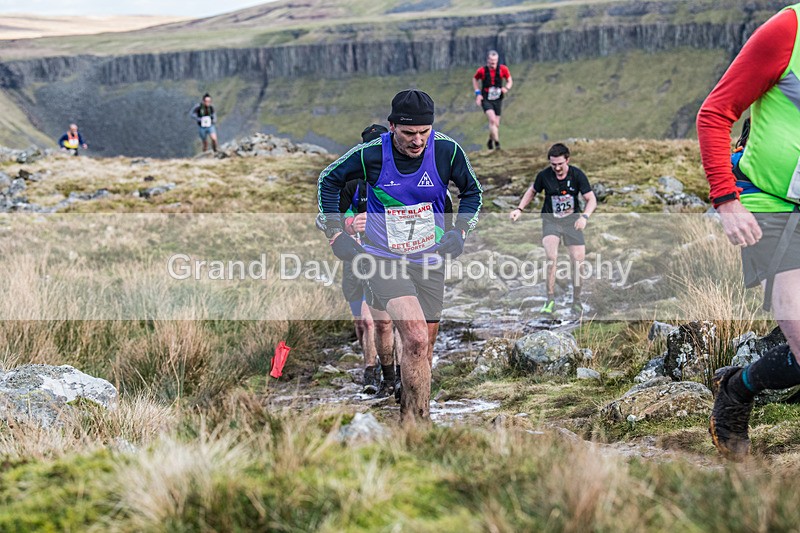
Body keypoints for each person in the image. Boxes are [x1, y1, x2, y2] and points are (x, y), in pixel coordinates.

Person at [317, 89, 482, 424]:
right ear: (392, 127)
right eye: (408, 133)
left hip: (429, 258)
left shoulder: (447, 151)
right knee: (416, 336)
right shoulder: (370, 155)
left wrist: (459, 231)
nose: (417, 141)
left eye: (424, 132)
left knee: (423, 347)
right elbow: (328, 181)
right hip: (383, 259)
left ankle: (410, 412)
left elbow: (472, 192)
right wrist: (335, 232)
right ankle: (418, 427)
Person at [697, 4, 800, 461]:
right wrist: (725, 199)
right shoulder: (787, 30)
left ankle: (742, 381)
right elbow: (717, 111)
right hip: (770, 202)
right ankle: (737, 391)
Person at [339, 123, 395, 396]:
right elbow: (332, 218)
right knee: (362, 322)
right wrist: (351, 224)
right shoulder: (351, 183)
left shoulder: (396, 182)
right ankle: (371, 364)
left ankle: (375, 370)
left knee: (377, 321)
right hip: (355, 261)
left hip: (386, 262)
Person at [509, 143, 597, 315]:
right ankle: (550, 301)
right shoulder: (544, 176)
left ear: (567, 160)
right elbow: (532, 191)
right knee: (551, 258)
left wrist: (584, 217)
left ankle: (576, 301)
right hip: (551, 221)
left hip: (573, 222)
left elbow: (591, 199)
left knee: (578, 262)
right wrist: (519, 209)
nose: (556, 168)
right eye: (553, 164)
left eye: (560, 164)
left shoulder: (577, 175)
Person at [473, 50, 512, 150]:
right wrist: (478, 94)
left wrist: (506, 88)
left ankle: (490, 141)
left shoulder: (503, 69)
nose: (493, 64)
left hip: (498, 98)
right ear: (488, 60)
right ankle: (497, 144)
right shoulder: (481, 71)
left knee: (496, 124)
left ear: (497, 60)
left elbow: (509, 80)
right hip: (486, 98)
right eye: (491, 62)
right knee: (492, 120)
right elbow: (475, 79)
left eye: (494, 62)